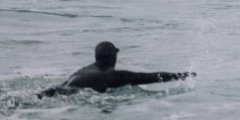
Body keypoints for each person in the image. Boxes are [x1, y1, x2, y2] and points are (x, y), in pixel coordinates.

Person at [38, 41, 195, 97]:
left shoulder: (83, 70)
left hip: (54, 91)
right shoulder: (110, 75)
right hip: (70, 97)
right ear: (113, 57)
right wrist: (180, 75)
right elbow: (147, 77)